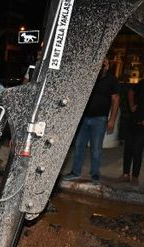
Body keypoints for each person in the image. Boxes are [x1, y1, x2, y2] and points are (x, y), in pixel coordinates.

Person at [63, 56, 120, 185]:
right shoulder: (88, 77)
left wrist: (112, 120)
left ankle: (95, 174)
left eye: (103, 62)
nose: (101, 65)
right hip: (83, 118)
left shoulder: (111, 79)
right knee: (79, 146)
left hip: (100, 119)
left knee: (96, 148)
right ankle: (75, 172)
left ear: (107, 63)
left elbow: (116, 100)